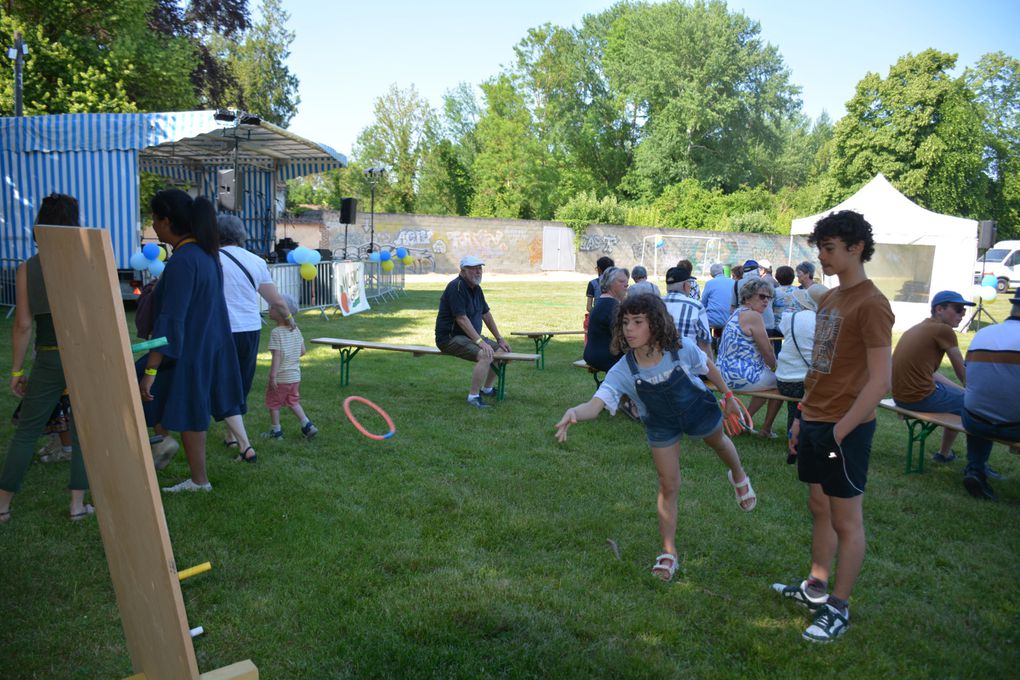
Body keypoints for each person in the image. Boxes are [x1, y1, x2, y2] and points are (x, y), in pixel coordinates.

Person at [555, 294, 756, 582]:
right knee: (668, 484)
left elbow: (708, 367)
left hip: (697, 409)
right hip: (661, 425)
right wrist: (574, 411)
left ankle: (738, 476)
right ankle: (668, 552)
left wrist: (728, 396)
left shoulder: (681, 348)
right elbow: (595, 405)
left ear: (656, 323)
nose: (629, 329)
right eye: (625, 322)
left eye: (638, 322)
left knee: (719, 443)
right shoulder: (624, 369)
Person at [772, 210, 893, 643]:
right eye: (820, 248)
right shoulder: (831, 298)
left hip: (845, 428)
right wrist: (803, 415)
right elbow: (821, 369)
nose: (821, 257)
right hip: (816, 420)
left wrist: (841, 431)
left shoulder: (872, 304)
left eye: (829, 248)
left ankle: (838, 608)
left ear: (856, 247)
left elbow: (881, 380)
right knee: (819, 507)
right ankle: (816, 588)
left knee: (846, 519)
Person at [139, 190, 245, 492]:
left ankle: (166, 447)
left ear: (166, 220)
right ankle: (172, 450)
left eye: (154, 219)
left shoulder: (185, 260)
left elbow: (171, 320)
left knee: (147, 392)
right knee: (188, 407)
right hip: (201, 346)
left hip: (184, 350)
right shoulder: (205, 255)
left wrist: (150, 371)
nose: (153, 226)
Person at [0, 193, 94, 522]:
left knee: (27, 431)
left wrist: (15, 371)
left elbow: (23, 325)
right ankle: (77, 506)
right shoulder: (89, 260)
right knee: (84, 432)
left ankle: (2, 505)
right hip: (84, 357)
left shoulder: (28, 268)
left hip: (49, 357)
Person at [217, 214, 294, 459]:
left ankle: (244, 444)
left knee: (221, 384)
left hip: (221, 329)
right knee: (240, 383)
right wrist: (290, 320)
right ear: (241, 235)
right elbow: (276, 300)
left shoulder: (210, 258)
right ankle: (231, 436)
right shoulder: (255, 261)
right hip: (250, 329)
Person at [892, 290, 973, 464]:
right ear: (939, 310)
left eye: (964, 311)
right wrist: (976, 394)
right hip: (918, 397)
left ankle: (945, 454)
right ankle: (976, 465)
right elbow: (962, 372)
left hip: (901, 397)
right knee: (974, 406)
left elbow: (930, 372)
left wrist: (962, 390)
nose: (962, 314)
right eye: (958, 309)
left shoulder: (918, 327)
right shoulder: (944, 330)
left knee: (962, 396)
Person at [960, 291, 1020, 500]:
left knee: (982, 406)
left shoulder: (983, 334)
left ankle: (975, 468)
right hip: (1014, 427)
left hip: (974, 421)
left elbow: (970, 376)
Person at [435, 256, 512, 409]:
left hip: (468, 337)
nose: (478, 271)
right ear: (462, 271)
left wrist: (499, 339)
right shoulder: (456, 287)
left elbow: (486, 315)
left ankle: (487, 389)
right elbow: (461, 319)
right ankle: (473, 397)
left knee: (503, 352)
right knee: (485, 354)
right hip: (450, 338)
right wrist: (480, 342)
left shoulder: (476, 289)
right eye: (473, 268)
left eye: (480, 268)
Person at [717, 278, 782, 438]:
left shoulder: (735, 313)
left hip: (722, 374)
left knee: (768, 379)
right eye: (762, 296)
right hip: (739, 376)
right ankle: (764, 429)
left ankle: (743, 420)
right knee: (782, 382)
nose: (766, 300)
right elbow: (767, 351)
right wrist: (777, 368)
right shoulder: (753, 316)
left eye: (769, 297)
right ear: (747, 297)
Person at [262, 295, 317, 440]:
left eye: (272, 307)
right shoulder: (295, 329)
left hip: (281, 377)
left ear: (281, 313)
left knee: (273, 403)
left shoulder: (276, 333)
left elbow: (277, 356)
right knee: (293, 401)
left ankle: (276, 431)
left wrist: (272, 376)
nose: (269, 309)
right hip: (295, 376)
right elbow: (303, 351)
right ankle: (307, 425)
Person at [775, 289, 818, 462]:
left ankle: (792, 440)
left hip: (784, 380)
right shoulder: (823, 322)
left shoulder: (789, 318)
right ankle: (805, 444)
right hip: (807, 382)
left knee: (794, 408)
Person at [583, 266, 629, 373]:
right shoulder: (612, 307)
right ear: (610, 284)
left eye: (627, 282)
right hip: (607, 359)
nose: (626, 285)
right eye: (622, 281)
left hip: (593, 356)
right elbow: (626, 338)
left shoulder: (601, 303)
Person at [662, 264, 711, 355]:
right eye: (690, 283)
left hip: (659, 362)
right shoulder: (696, 306)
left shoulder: (656, 304)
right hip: (688, 362)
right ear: (685, 285)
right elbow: (704, 343)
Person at [585, 256, 614, 344]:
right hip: (614, 317)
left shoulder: (593, 283)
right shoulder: (617, 282)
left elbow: (589, 307)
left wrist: (597, 312)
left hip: (597, 319)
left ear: (599, 269)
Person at [700, 263, 732, 335]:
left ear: (711, 274)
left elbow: (703, 303)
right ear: (723, 271)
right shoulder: (733, 282)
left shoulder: (709, 283)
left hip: (712, 321)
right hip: (730, 320)